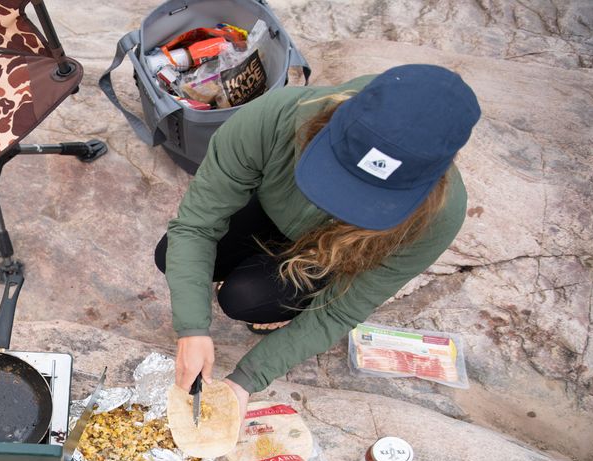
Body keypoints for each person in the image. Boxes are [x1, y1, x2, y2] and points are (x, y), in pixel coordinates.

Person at [156, 64, 480, 413]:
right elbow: (195, 227)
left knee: (245, 297)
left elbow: (340, 313)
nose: (343, 202)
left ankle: (285, 304)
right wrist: (191, 328)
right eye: (336, 174)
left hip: (334, 252)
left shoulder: (438, 218)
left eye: (368, 196)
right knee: (171, 254)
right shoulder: (274, 117)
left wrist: (246, 380)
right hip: (271, 208)